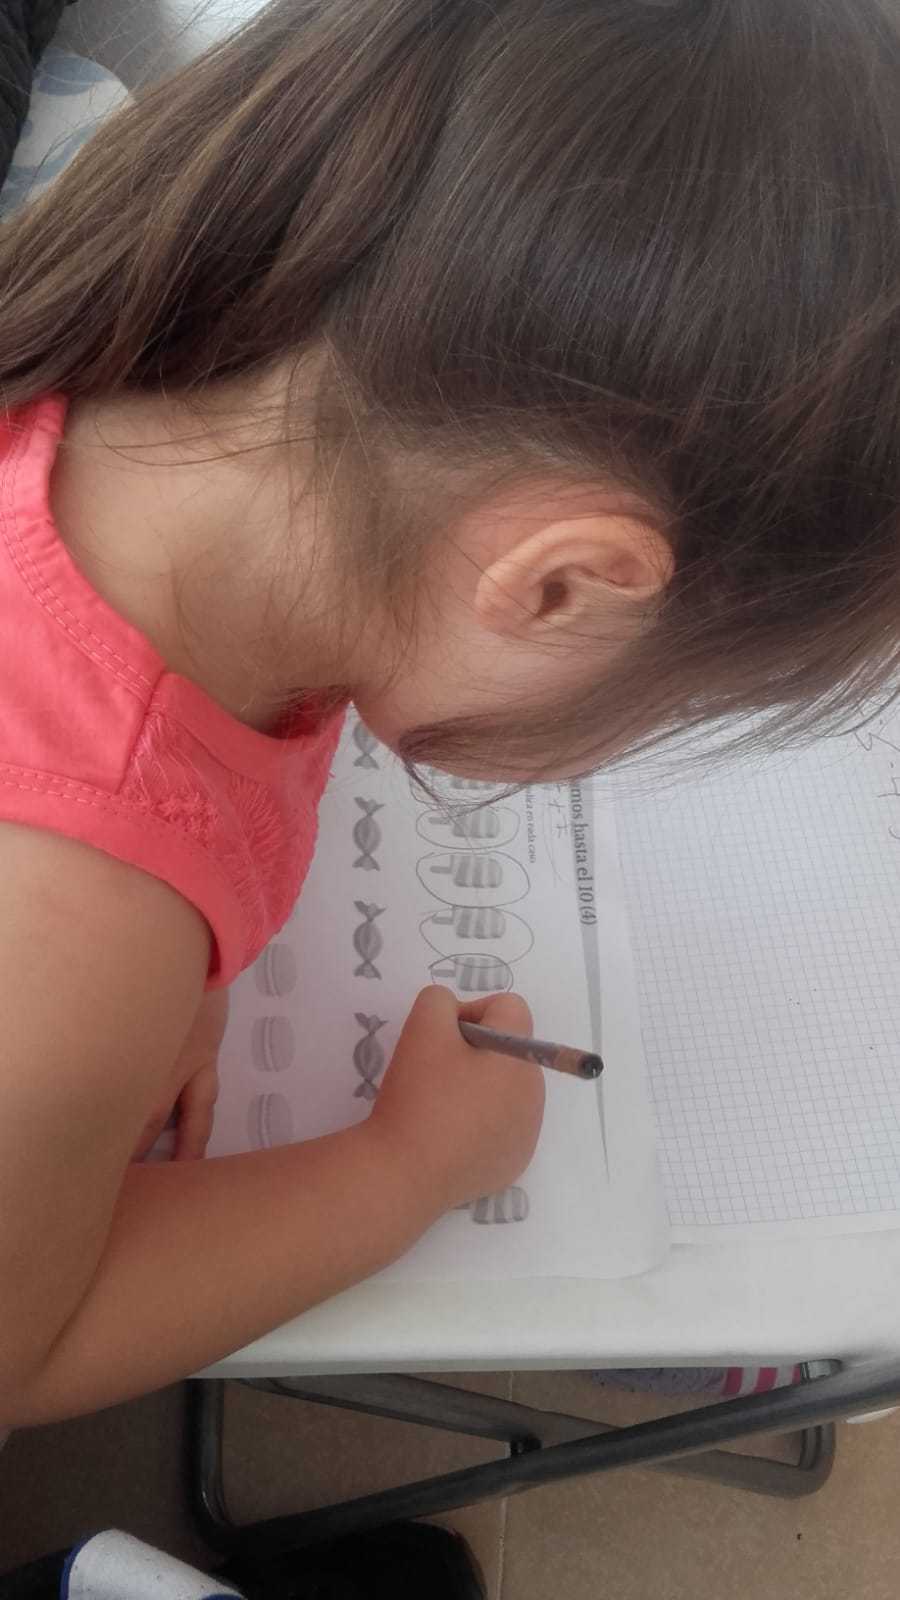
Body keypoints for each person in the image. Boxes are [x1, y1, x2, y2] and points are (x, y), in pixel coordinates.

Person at [2, 0, 899, 1432]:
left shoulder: (156, 340)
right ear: (559, 585)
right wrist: (404, 1168)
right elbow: (19, 1353)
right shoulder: (75, 910)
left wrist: (181, 988)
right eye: (672, 705)